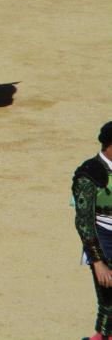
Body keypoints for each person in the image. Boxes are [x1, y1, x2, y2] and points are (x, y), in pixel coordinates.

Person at [73, 121, 112, 339]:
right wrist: (98, 261)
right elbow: (84, 221)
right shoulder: (90, 174)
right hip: (104, 241)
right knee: (109, 302)